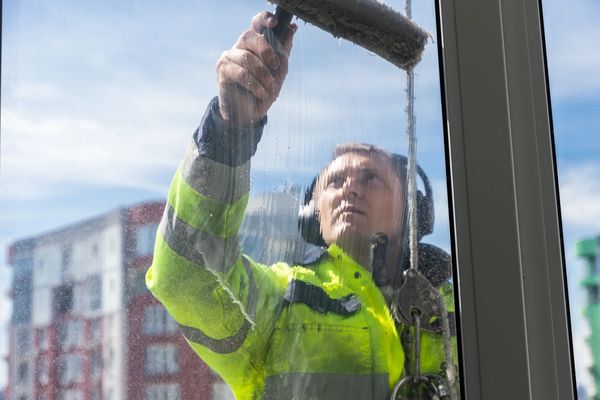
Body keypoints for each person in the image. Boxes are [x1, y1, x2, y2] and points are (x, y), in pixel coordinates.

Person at [146, 10, 457, 400]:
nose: (350, 189)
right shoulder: (281, 299)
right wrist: (231, 130)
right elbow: (186, 272)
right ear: (314, 214)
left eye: (370, 177)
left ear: (411, 211)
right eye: (336, 181)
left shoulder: (459, 311)